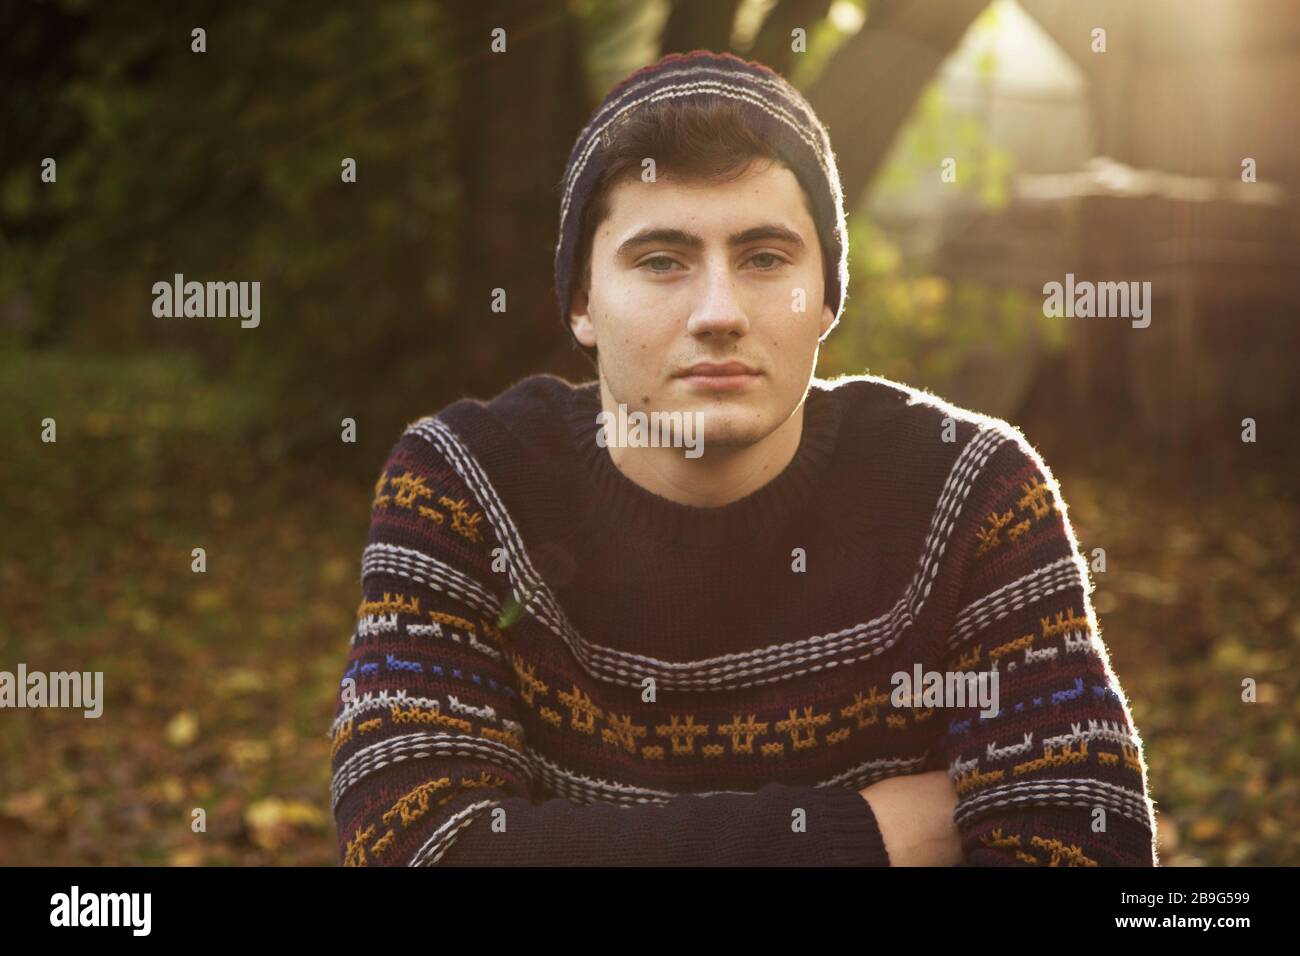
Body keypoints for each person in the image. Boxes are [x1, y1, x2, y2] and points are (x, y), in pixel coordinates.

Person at [328, 49, 1158, 866]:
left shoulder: (971, 493)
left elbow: (1091, 852)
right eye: (662, 262)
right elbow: (416, 846)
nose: (719, 312)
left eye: (765, 259)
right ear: (582, 301)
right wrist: (866, 838)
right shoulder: (464, 487)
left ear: (828, 293)